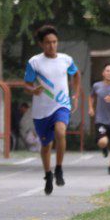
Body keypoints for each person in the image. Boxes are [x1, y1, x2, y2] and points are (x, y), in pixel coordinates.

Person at [23, 25, 80, 195]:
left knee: (61, 132)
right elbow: (26, 84)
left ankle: (59, 168)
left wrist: (75, 95)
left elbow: (76, 74)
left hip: (61, 105)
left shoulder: (66, 60)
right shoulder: (34, 62)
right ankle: (48, 174)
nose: (52, 45)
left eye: (55, 42)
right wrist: (33, 90)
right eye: (48, 42)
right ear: (41, 44)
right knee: (46, 145)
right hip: (41, 111)